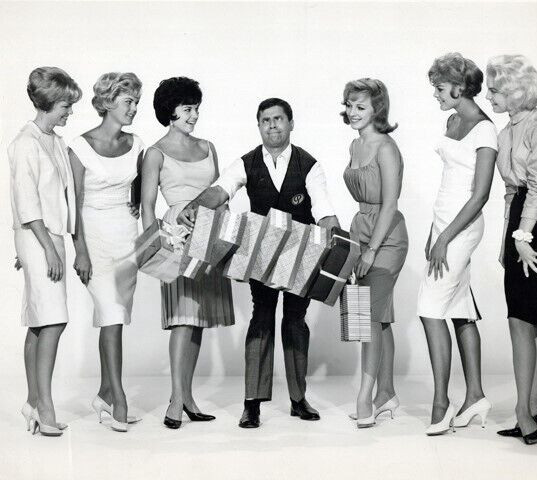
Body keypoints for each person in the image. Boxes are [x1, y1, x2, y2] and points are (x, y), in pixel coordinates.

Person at [178, 98, 339, 428]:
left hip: (301, 256)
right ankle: (252, 404)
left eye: (278, 119)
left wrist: (339, 246)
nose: (272, 125)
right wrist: (193, 206)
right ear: (259, 126)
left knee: (295, 321)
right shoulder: (246, 162)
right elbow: (220, 190)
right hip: (260, 254)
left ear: (291, 123)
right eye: (266, 120)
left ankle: (298, 399)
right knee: (262, 319)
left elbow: (323, 209)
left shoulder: (310, 164)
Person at [140, 77, 235, 429]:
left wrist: (226, 232)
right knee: (182, 318)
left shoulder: (208, 146)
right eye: (188, 109)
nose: (194, 115)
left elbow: (222, 193)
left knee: (198, 321)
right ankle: (176, 400)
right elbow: (147, 206)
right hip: (176, 238)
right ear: (170, 110)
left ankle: (188, 398)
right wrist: (155, 247)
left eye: (197, 109)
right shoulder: (155, 153)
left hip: (211, 235)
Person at [487, 55, 537, 445]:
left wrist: (522, 237)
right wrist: (507, 237)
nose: (489, 96)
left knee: (520, 317)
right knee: (528, 314)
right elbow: (510, 191)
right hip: (523, 220)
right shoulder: (507, 131)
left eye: (495, 90)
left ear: (516, 91)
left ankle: (524, 413)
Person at [417, 53, 498, 436]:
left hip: (462, 228)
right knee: (459, 308)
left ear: (460, 87)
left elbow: (480, 195)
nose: (435, 94)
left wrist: (445, 238)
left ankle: (441, 402)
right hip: (443, 224)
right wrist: (432, 234)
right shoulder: (451, 121)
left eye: (439, 87)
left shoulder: (485, 130)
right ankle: (476, 396)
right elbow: (449, 183)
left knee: (429, 309)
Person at [69, 72, 144, 432]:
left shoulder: (137, 143)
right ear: (108, 102)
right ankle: (120, 400)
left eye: (136, 102)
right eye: (128, 101)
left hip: (126, 240)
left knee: (114, 320)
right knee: (111, 315)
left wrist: (136, 208)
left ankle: (104, 395)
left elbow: (140, 190)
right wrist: (80, 251)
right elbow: (73, 205)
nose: (134, 108)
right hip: (94, 239)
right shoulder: (79, 147)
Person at [9, 67, 82, 436]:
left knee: (41, 320)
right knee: (53, 319)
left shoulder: (54, 141)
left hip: (48, 237)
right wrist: (45, 250)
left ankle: (33, 402)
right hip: (40, 237)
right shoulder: (25, 143)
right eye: (66, 105)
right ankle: (45, 406)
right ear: (49, 103)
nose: (70, 111)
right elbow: (26, 202)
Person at [341, 79, 408, 428]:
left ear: (377, 109)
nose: (352, 112)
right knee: (378, 318)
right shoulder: (355, 144)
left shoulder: (386, 147)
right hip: (360, 231)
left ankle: (364, 397)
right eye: (349, 105)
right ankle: (387, 393)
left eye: (360, 106)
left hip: (387, 237)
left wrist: (371, 250)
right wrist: (358, 244)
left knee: (367, 318)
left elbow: (390, 204)